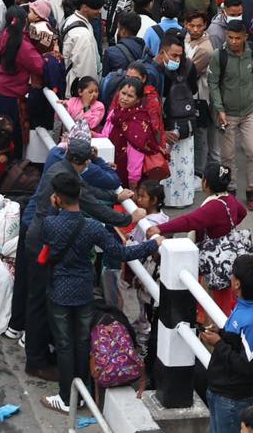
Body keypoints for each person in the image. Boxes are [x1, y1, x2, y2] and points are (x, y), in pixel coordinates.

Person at [27, 170, 158, 413]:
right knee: (83, 341)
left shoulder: (49, 224)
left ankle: (67, 398)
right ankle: (85, 392)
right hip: (84, 291)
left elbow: (45, 244)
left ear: (57, 198)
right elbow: (122, 253)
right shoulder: (93, 227)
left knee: (64, 344)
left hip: (58, 292)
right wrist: (153, 244)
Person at [200, 254, 253, 433]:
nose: (230, 277)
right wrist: (222, 333)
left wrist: (218, 344)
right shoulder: (244, 305)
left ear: (237, 283)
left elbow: (248, 366)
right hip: (220, 391)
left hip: (232, 399)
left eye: (233, 274)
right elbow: (237, 342)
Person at [210, 20, 253, 208]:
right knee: (227, 156)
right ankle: (231, 188)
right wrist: (220, 109)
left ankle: (252, 190)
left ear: (245, 37)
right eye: (230, 38)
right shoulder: (219, 56)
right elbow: (213, 84)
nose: (233, 42)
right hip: (228, 114)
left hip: (250, 111)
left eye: (237, 38)